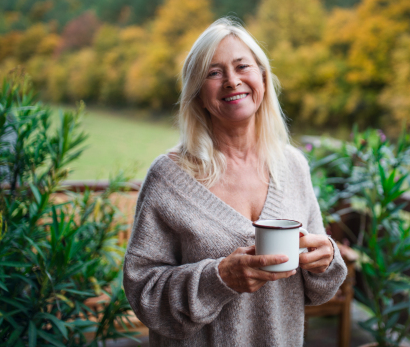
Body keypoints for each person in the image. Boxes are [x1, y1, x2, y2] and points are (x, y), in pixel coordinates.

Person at [123, 18, 347, 346]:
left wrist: (326, 257)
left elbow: (318, 286)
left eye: (242, 66)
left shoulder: (293, 166)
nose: (231, 81)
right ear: (197, 93)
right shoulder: (169, 179)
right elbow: (143, 291)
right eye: (214, 73)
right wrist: (219, 278)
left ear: (263, 78)